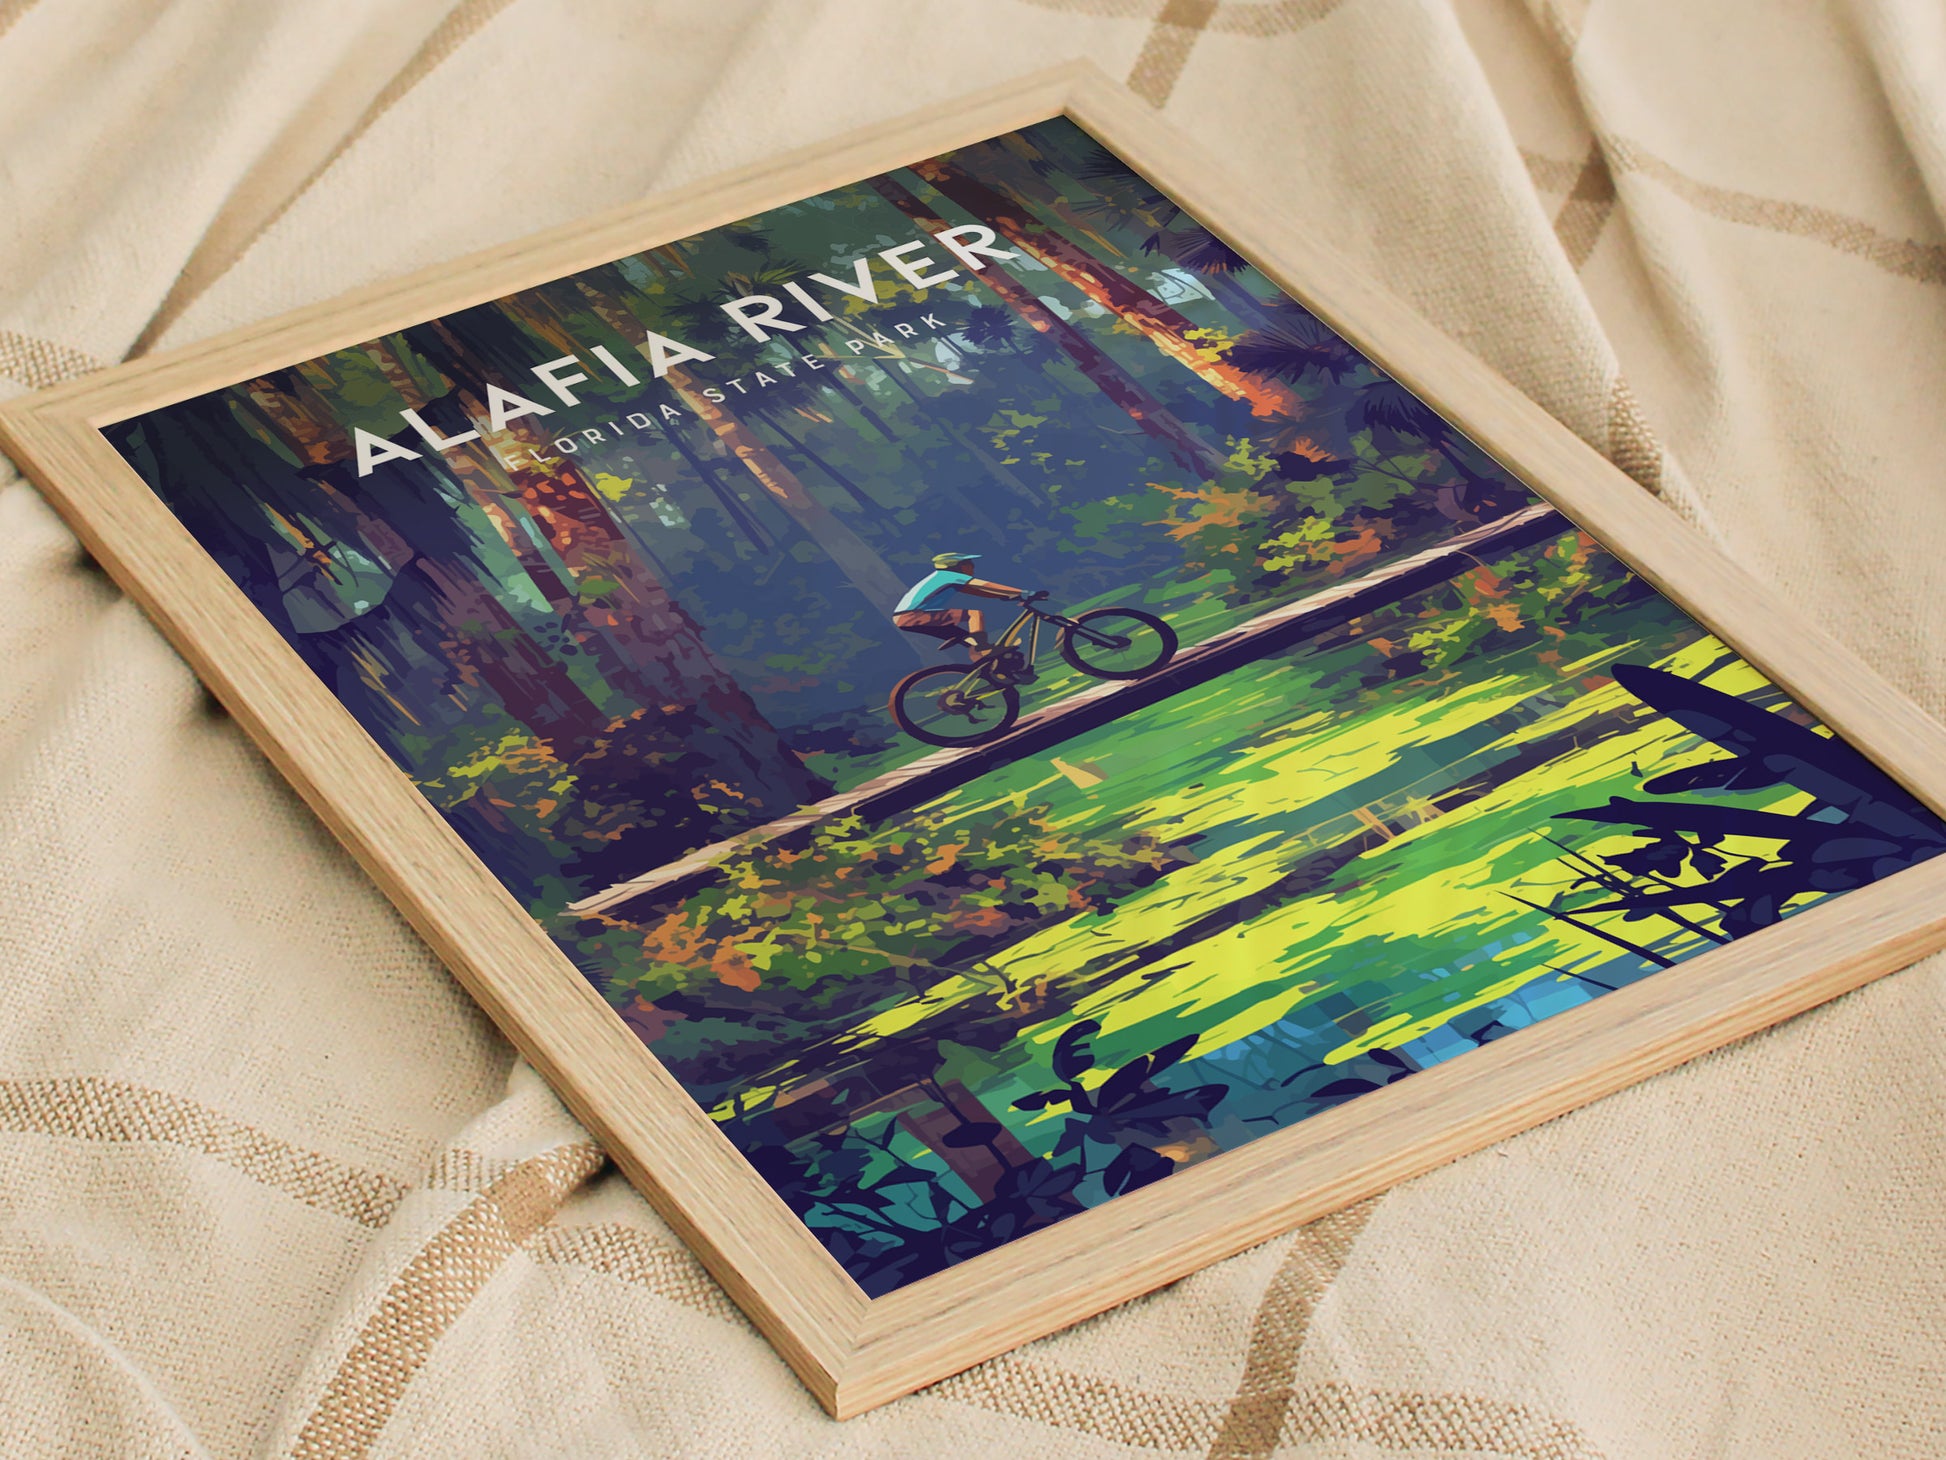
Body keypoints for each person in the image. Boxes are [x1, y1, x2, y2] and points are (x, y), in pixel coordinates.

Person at [892, 551, 1035, 659]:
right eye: (969, 564)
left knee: (967, 640)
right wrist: (1024, 592)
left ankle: (988, 670)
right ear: (958, 567)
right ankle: (983, 647)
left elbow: (978, 591)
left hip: (904, 619)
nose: (972, 566)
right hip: (913, 615)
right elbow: (985, 585)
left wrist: (1006, 595)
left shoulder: (944, 578)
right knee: (974, 614)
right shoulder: (949, 575)